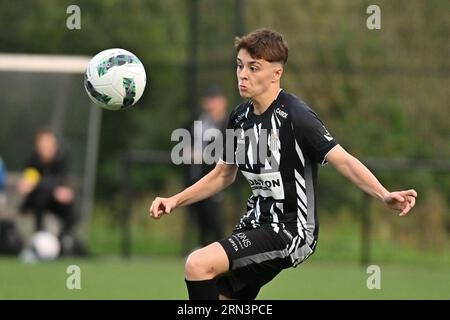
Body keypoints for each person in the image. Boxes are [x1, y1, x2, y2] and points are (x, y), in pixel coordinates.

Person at [149, 29, 417, 300]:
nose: (243, 74)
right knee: (221, 296)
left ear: (276, 74)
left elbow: (344, 161)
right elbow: (222, 175)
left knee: (198, 264)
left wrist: (384, 194)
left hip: (291, 230)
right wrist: (174, 200)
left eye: (254, 68)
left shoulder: (296, 116)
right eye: (240, 66)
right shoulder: (239, 117)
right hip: (255, 224)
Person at [17, 128, 78, 250]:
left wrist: (65, 191)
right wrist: (27, 185)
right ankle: (38, 236)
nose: (45, 145)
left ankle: (64, 240)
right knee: (42, 194)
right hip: (36, 200)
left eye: (48, 142)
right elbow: (29, 182)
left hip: (55, 200)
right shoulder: (34, 160)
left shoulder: (61, 159)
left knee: (71, 208)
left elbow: (63, 182)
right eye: (42, 142)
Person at [184, 85, 228, 252]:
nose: (212, 104)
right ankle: (202, 246)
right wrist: (187, 152)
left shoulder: (227, 123)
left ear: (222, 102)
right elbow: (186, 140)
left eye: (215, 100)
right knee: (199, 211)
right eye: (209, 100)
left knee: (213, 212)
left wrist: (205, 156)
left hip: (216, 175)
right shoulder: (199, 121)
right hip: (196, 174)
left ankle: (221, 248)